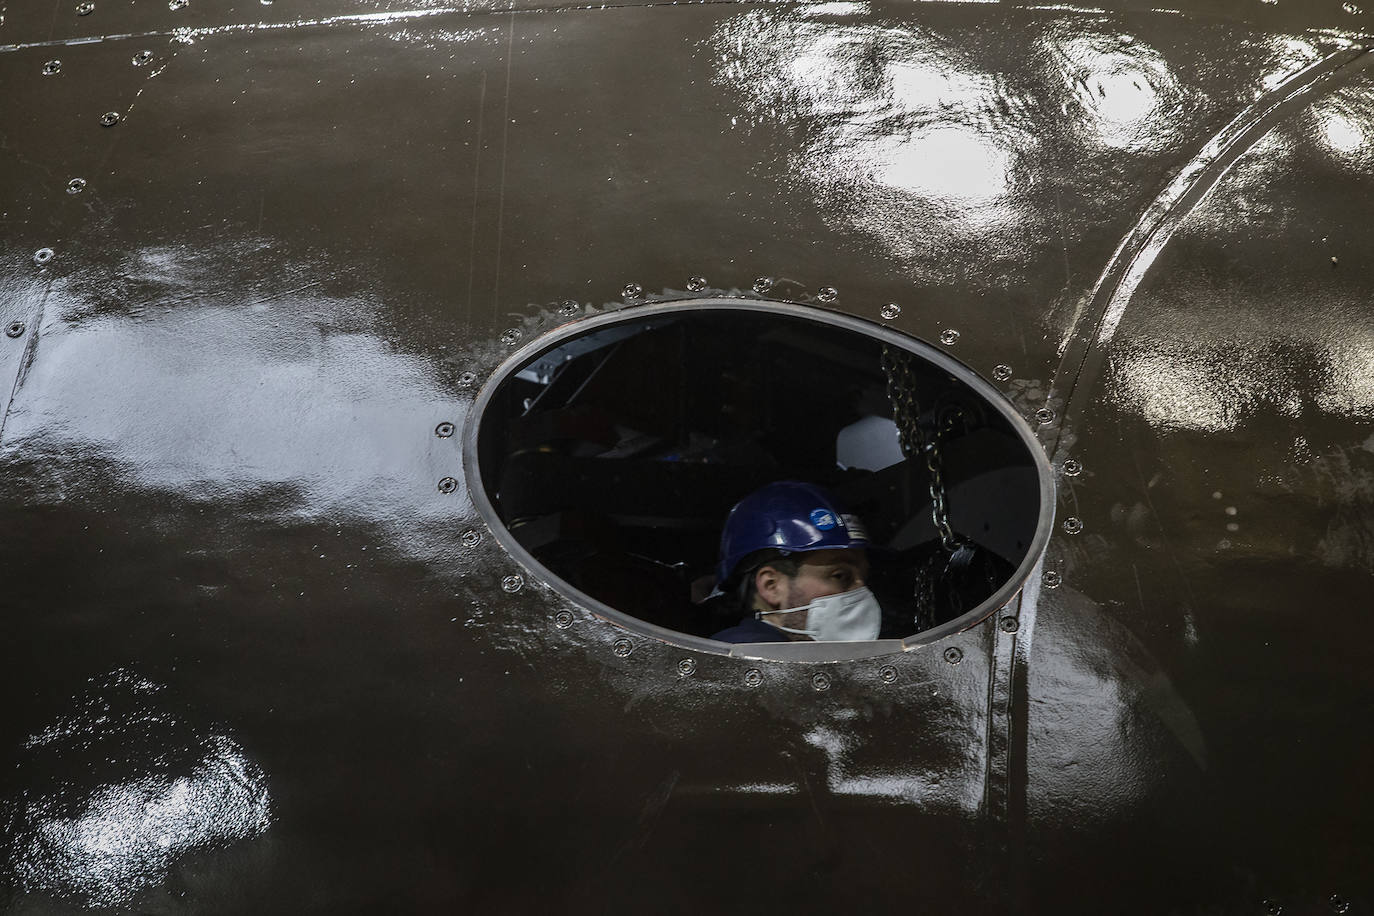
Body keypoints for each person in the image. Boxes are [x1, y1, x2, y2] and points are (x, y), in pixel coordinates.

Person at [710, 481, 881, 643]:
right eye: (840, 576)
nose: (862, 592)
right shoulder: (742, 661)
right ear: (772, 585)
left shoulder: (812, 661)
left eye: (865, 578)